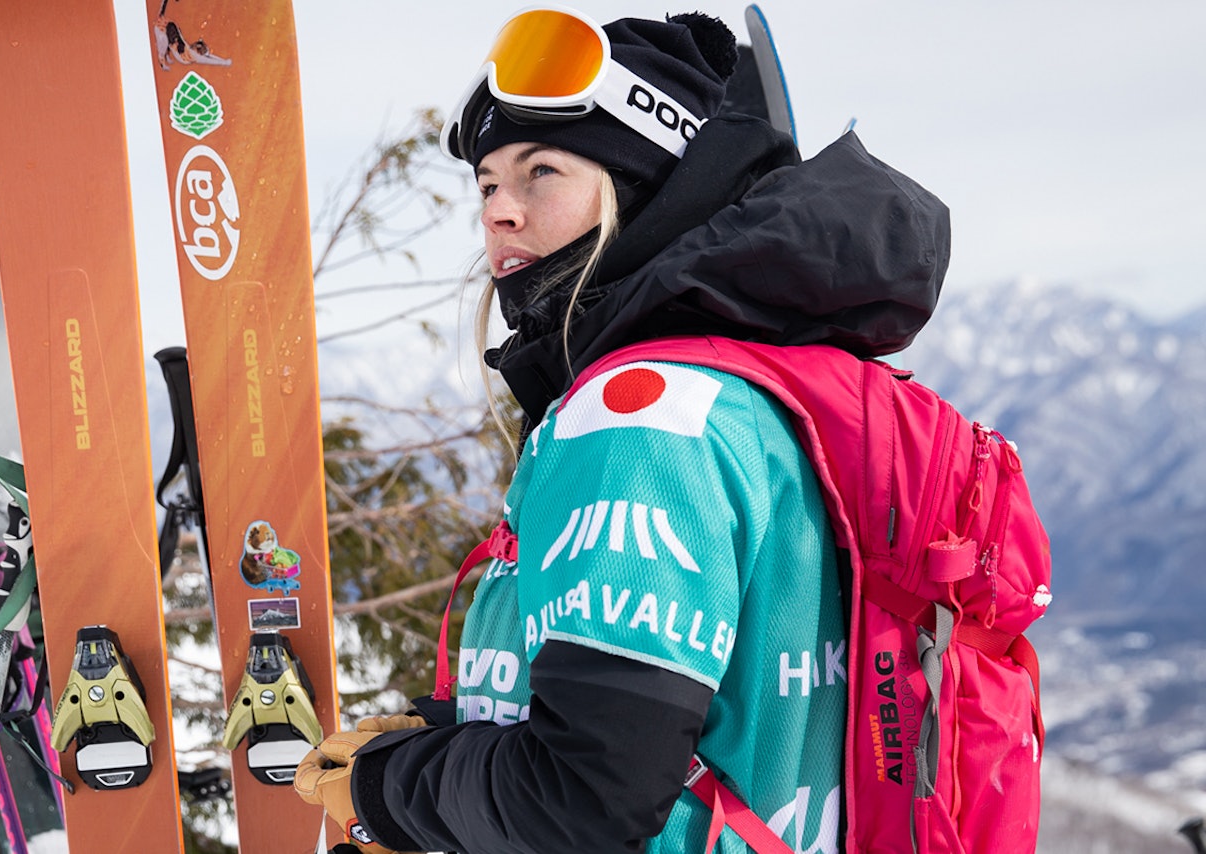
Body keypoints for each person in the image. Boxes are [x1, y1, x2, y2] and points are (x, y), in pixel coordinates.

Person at [295, 7, 949, 853]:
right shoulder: (754, 388)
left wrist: (387, 790)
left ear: (648, 187)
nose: (499, 212)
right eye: (488, 183)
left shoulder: (638, 417)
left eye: (542, 172)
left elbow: (583, 802)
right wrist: (459, 738)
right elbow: (694, 710)